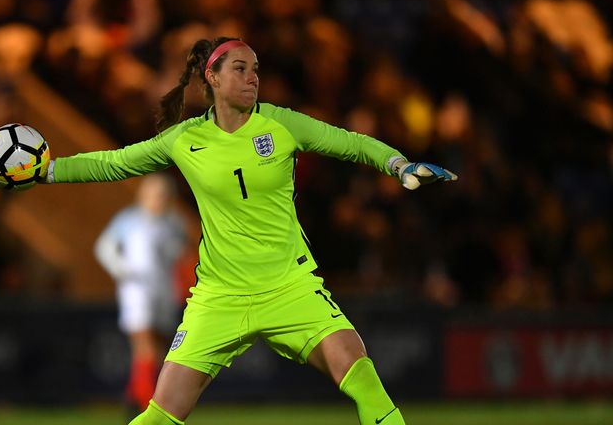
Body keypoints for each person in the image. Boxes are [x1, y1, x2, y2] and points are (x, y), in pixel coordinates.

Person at [37, 37, 457, 424]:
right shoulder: (185, 139)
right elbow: (114, 162)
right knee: (161, 415)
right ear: (212, 77)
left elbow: (350, 142)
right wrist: (47, 171)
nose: (252, 76)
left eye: (255, 68)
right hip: (220, 297)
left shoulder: (282, 124)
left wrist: (400, 165)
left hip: (289, 286)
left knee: (363, 377)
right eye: (240, 68)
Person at [93, 173, 186, 417]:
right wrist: (123, 271)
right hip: (137, 292)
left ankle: (133, 399)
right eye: (155, 194)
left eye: (164, 195)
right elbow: (105, 247)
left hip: (164, 291)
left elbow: (180, 252)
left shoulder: (174, 223)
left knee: (159, 351)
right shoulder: (129, 220)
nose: (159, 199)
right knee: (144, 346)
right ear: (143, 195)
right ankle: (149, 408)